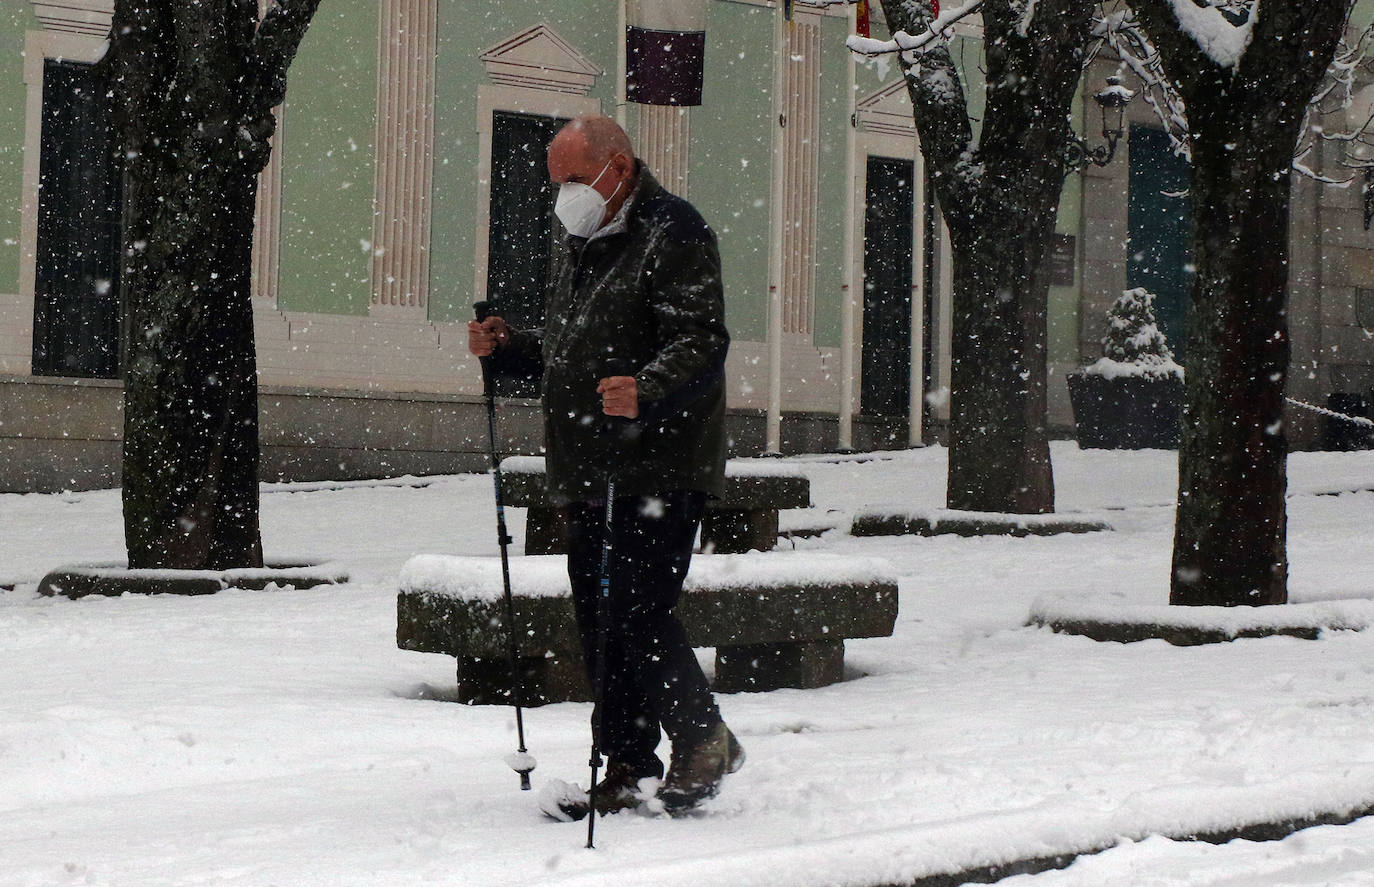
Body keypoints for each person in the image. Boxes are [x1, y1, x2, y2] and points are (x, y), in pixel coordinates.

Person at [467, 115, 742, 817]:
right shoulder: (580, 239)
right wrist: (513, 348)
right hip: (589, 466)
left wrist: (646, 388)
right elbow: (573, 350)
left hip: (659, 462)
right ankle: (625, 763)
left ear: (618, 167)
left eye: (573, 177)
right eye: (556, 180)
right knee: (600, 618)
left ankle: (703, 736)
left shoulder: (673, 230)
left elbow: (701, 339)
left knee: (638, 607)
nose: (564, 194)